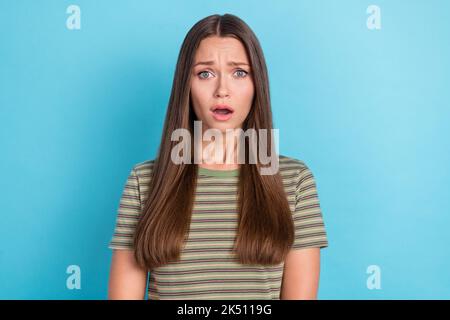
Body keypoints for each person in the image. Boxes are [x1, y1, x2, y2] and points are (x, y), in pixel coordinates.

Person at [107, 13, 328, 300]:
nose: (222, 90)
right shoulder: (144, 181)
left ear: (256, 84)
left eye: (239, 73)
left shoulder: (295, 180)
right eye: (205, 73)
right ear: (186, 86)